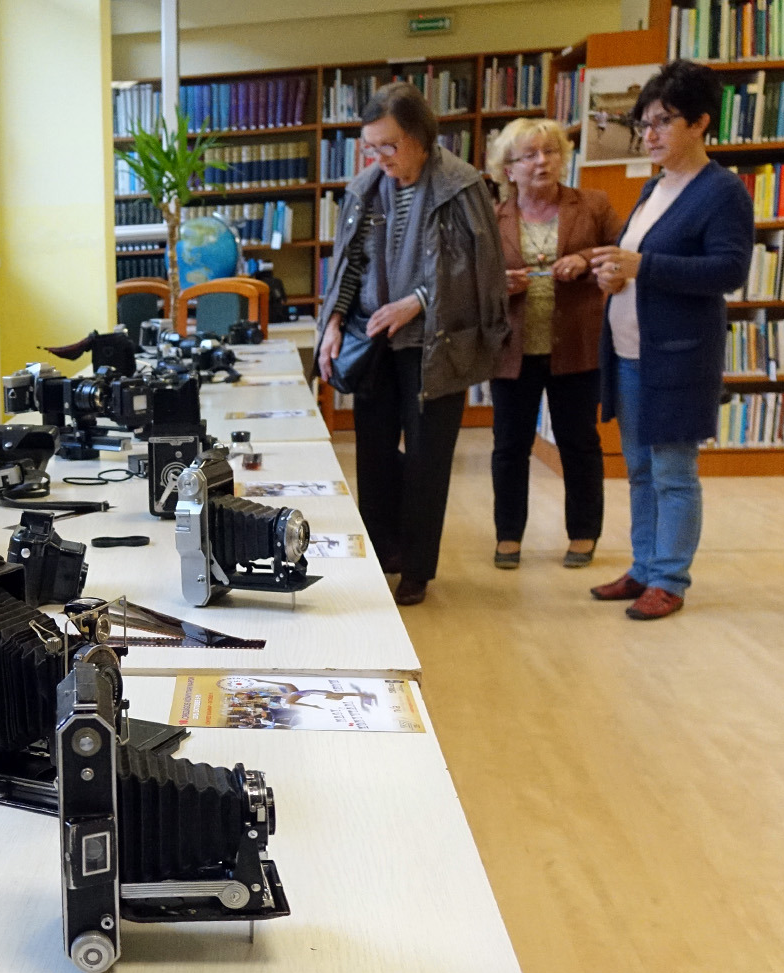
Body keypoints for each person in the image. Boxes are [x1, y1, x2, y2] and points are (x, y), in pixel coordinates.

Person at [316, 83, 509, 606]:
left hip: (434, 347)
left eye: (390, 146)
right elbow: (350, 264)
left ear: (422, 138)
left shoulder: (461, 186)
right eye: (371, 147)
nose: (380, 158)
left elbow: (479, 273)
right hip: (374, 343)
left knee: (427, 459)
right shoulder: (365, 188)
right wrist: (334, 321)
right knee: (374, 456)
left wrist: (417, 301)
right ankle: (385, 553)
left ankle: (418, 570)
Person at [589, 60, 753, 620]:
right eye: (645, 123)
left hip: (678, 359)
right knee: (639, 468)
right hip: (630, 353)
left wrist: (642, 266)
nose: (650, 134)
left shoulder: (722, 192)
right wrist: (614, 276)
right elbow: (638, 266)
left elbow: (728, 271)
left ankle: (670, 579)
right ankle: (644, 567)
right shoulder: (654, 187)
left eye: (663, 121)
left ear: (701, 122)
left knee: (673, 473)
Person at [486, 118, 622, 570]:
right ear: (508, 168)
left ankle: (583, 533)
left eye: (551, 152)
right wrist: (499, 285)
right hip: (513, 351)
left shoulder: (593, 204)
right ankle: (508, 536)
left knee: (578, 443)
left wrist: (584, 259)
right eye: (529, 155)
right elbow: (472, 278)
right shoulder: (493, 217)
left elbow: (622, 252)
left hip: (577, 346)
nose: (542, 162)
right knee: (509, 446)